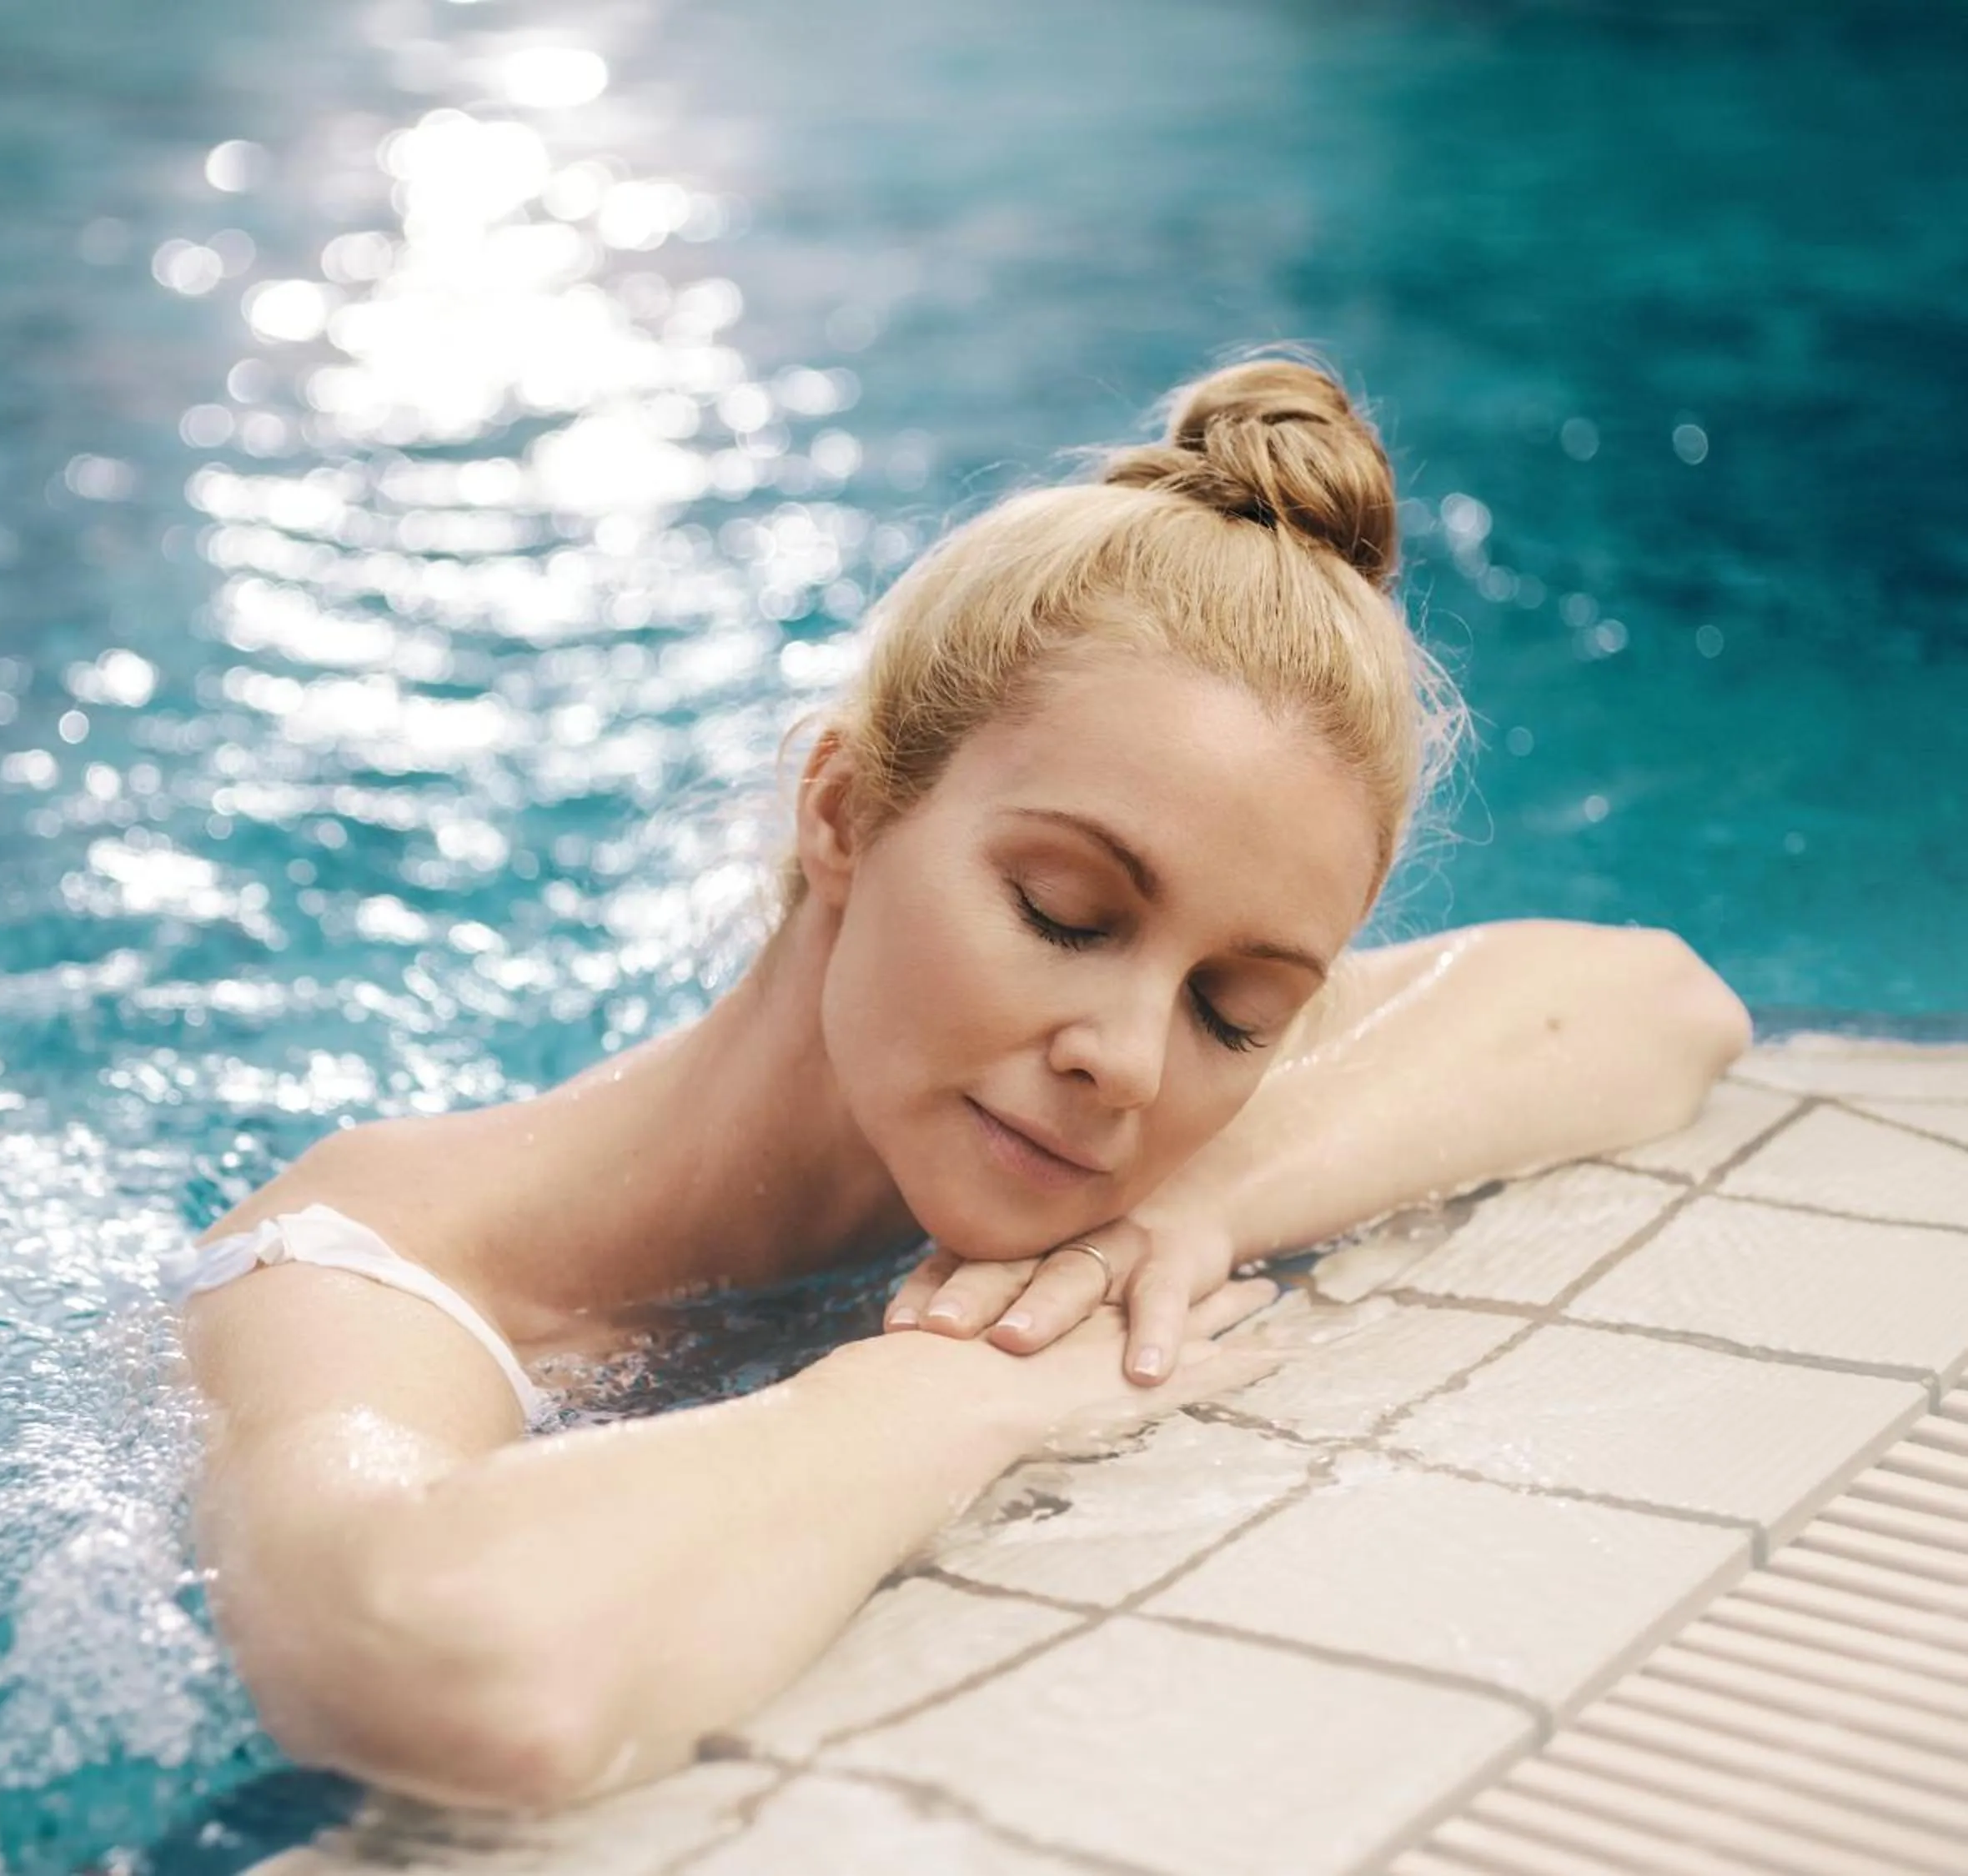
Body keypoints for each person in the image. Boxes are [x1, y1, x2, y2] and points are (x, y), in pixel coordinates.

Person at [168, 356, 1751, 1811]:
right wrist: (951, 1384)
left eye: (1237, 1007)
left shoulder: (1126, 1109)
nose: (1127, 1060)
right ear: (845, 814)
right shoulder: (367, 1270)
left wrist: (1203, 1201)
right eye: (1064, 914)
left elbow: (1658, 1003)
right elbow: (451, 1670)